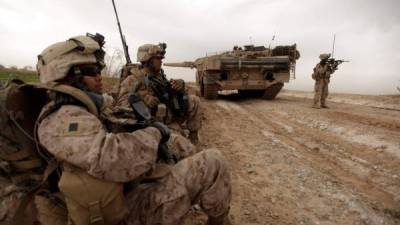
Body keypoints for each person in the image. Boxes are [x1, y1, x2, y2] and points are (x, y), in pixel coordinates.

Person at [31, 34, 231, 225]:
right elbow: (113, 155)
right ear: (67, 75)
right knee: (213, 162)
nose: (100, 77)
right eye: (92, 71)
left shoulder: (78, 108)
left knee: (180, 145)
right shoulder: (64, 119)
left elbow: (114, 116)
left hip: (122, 190)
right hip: (124, 211)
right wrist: (154, 131)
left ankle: (194, 181)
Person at [116, 43, 203, 144]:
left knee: (194, 100)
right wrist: (143, 99)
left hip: (170, 115)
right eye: (158, 58)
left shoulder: (160, 77)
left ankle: (193, 136)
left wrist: (181, 85)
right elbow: (122, 104)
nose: (161, 61)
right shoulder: (133, 79)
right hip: (154, 124)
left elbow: (174, 94)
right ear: (147, 59)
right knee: (181, 145)